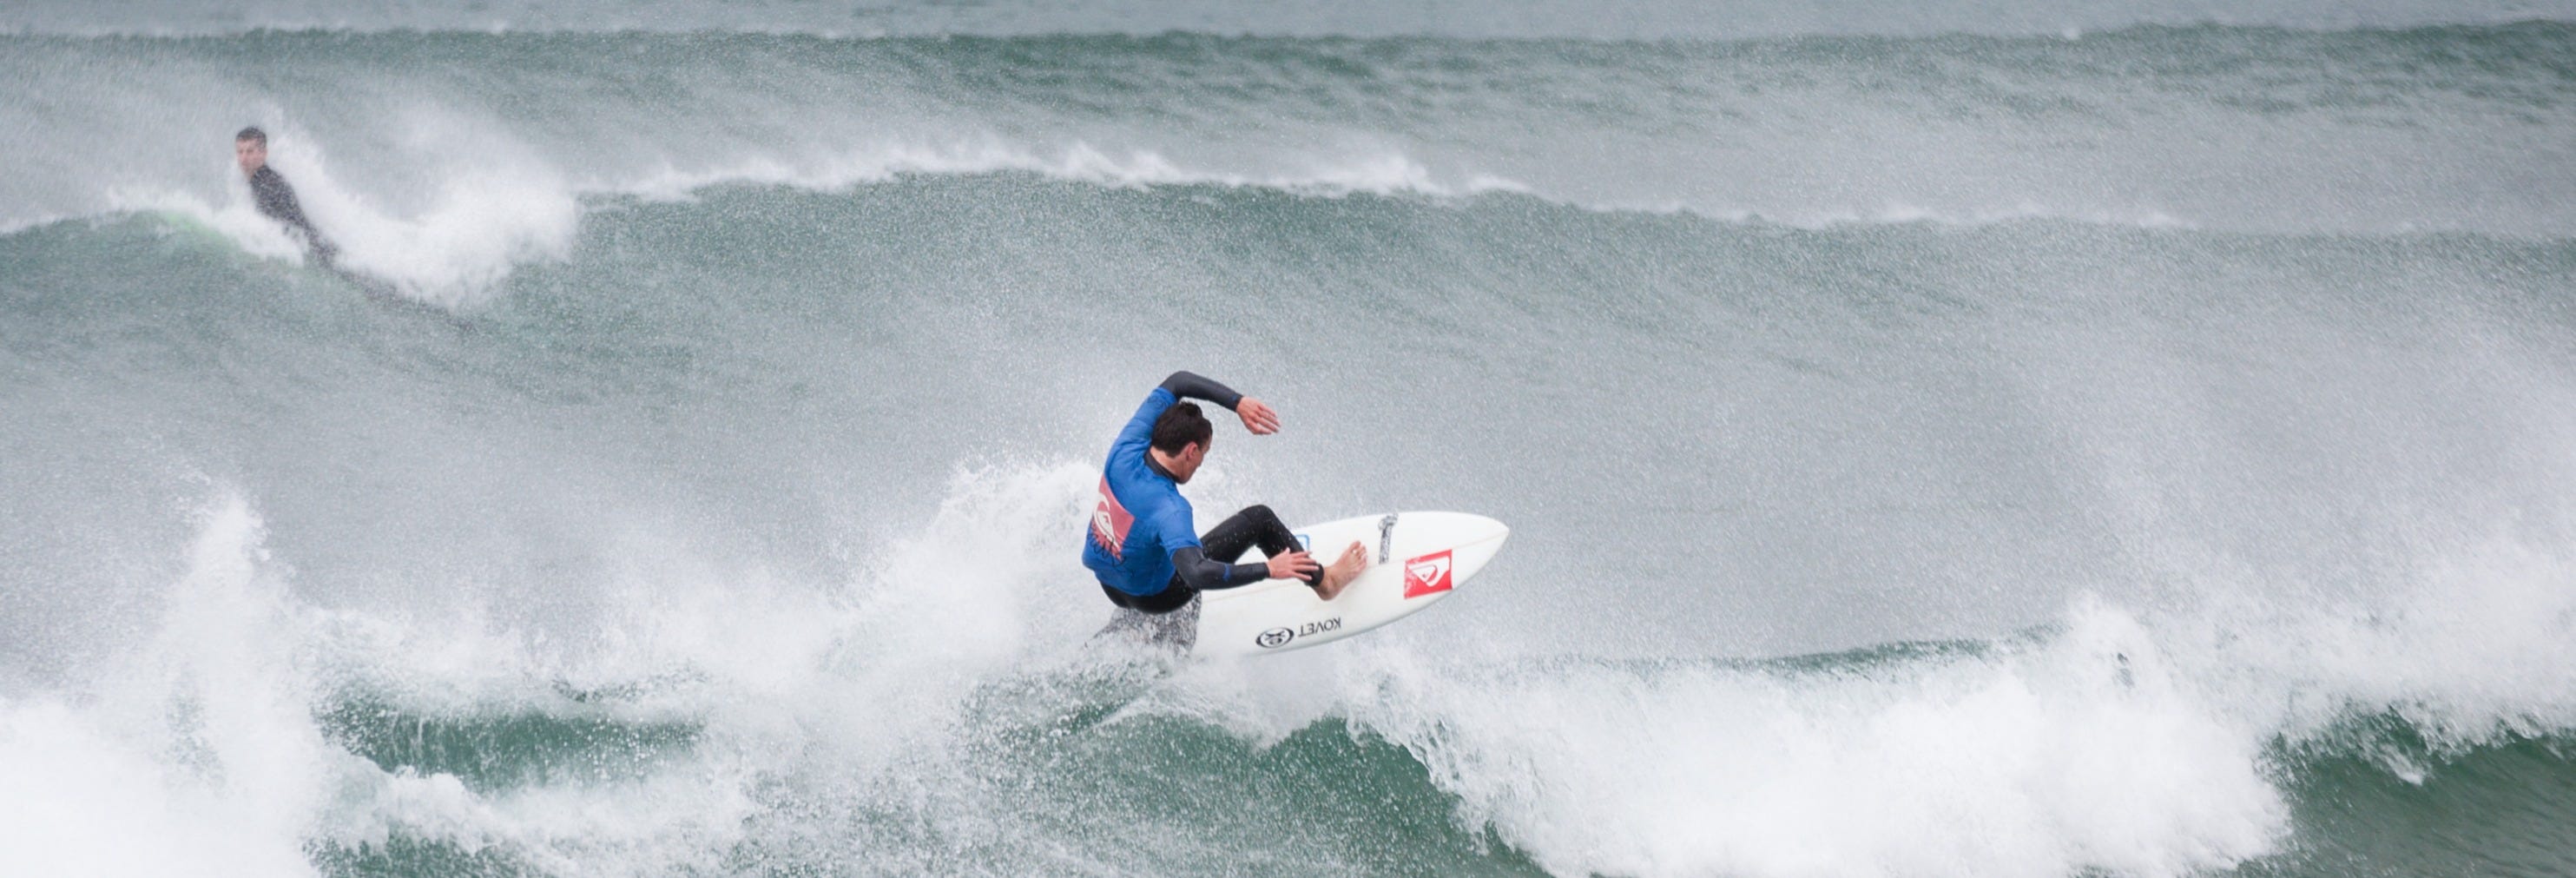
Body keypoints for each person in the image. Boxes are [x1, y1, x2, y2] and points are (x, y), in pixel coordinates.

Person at [1084, 372, 1369, 625]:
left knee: (1165, 544)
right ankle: (1327, 583)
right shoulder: (1170, 509)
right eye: (1204, 454)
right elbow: (1196, 574)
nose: (1200, 464)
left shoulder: (1126, 447)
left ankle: (1136, 625)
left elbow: (1178, 381)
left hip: (1109, 585)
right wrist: (1269, 569)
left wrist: (1238, 402)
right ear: (1191, 451)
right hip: (1155, 599)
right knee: (1259, 519)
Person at [234, 127, 338, 268]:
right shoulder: (261, 179)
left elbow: (276, 225)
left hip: (314, 248)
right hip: (315, 242)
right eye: (240, 152)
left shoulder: (266, 185)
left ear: (263, 154)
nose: (243, 158)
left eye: (250, 152)